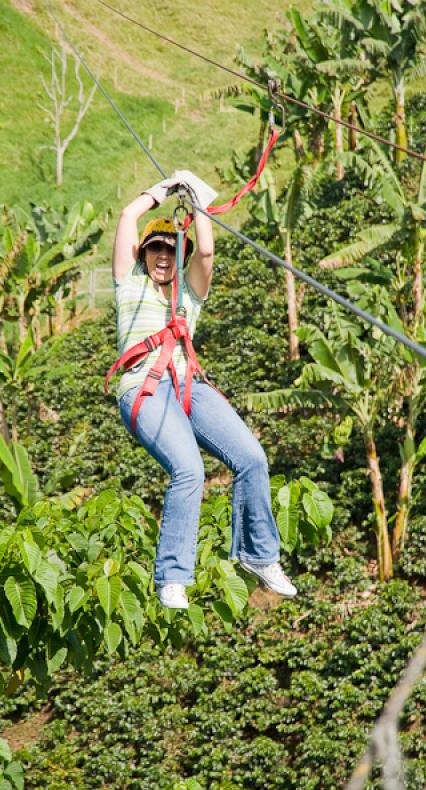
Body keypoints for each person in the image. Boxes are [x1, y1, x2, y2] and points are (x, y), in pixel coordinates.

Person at [111, 171, 297, 609]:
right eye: (156, 247)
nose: (164, 256)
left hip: (188, 386)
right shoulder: (128, 284)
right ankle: (173, 575)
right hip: (145, 388)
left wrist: (195, 200)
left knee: (252, 457)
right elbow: (127, 215)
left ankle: (259, 556)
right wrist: (164, 191)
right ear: (144, 252)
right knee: (190, 471)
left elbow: (207, 249)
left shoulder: (188, 294)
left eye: (173, 249)